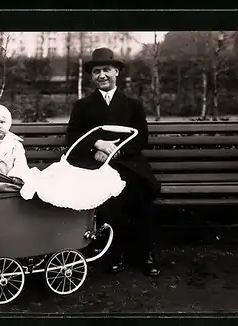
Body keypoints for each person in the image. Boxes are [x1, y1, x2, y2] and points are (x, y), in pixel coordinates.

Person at [66, 47, 161, 276]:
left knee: (138, 190)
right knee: (109, 197)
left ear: (117, 71)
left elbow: (141, 138)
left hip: (128, 162)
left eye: (107, 70)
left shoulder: (132, 105)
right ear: (91, 76)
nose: (102, 75)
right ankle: (113, 252)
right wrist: (97, 144)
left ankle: (144, 253)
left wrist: (114, 150)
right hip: (96, 165)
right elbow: (72, 137)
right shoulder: (82, 106)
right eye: (96, 71)